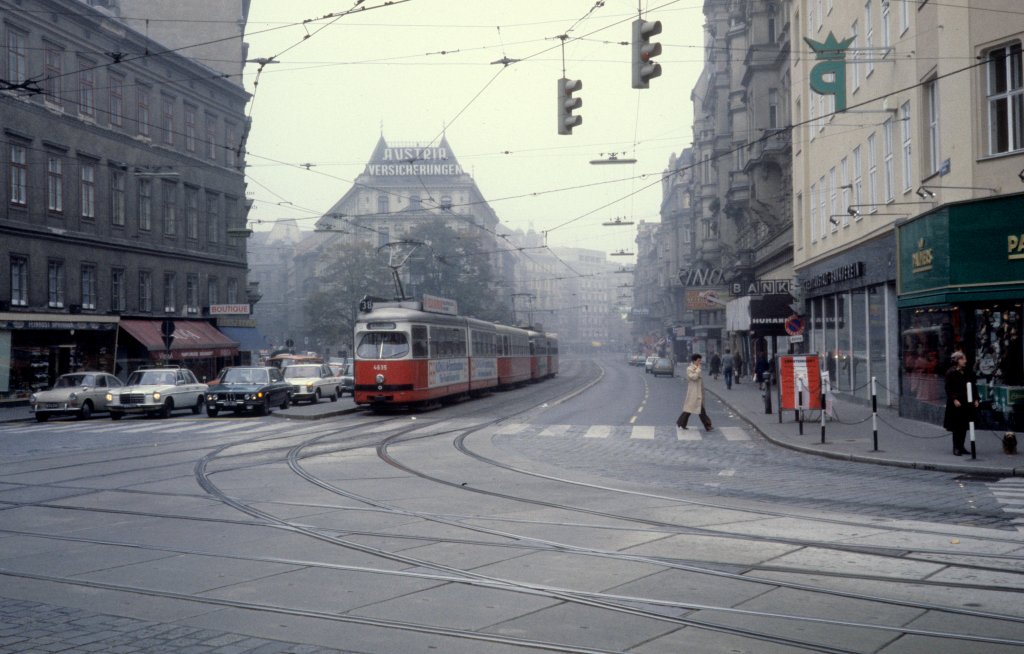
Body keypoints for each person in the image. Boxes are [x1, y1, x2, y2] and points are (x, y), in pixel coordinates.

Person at [944, 351, 978, 456]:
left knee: (964, 426)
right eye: (963, 359)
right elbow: (948, 388)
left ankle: (962, 446)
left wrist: (976, 398)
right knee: (956, 426)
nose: (965, 361)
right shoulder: (951, 372)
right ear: (957, 360)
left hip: (966, 402)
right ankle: (956, 447)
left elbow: (973, 386)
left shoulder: (967, 372)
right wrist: (954, 399)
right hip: (956, 403)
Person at [676, 354, 713, 431]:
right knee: (698, 410)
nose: (700, 362)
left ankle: (681, 423)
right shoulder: (689, 368)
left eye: (700, 360)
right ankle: (708, 425)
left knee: (690, 410)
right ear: (694, 361)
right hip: (693, 393)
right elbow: (694, 377)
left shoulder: (697, 368)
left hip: (699, 393)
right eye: (698, 360)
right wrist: (698, 370)